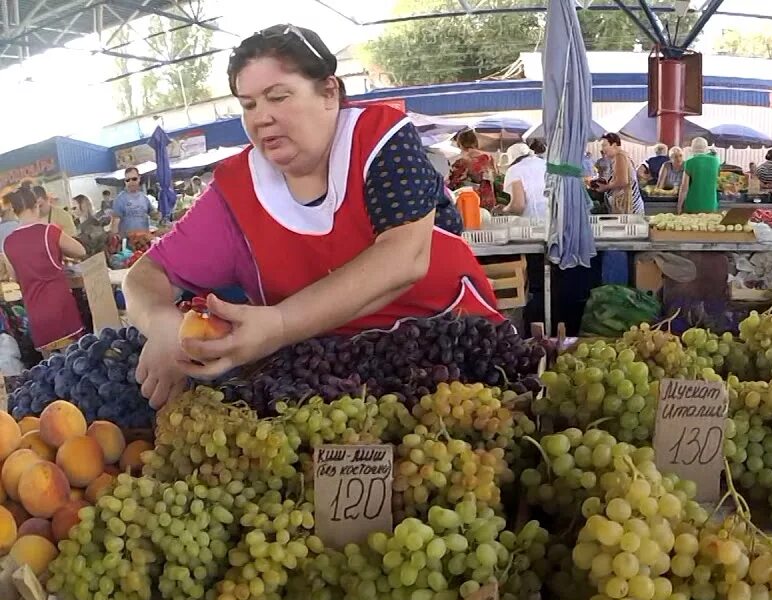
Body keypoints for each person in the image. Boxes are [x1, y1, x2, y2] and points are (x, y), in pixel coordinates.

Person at [124, 23, 499, 409]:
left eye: (278, 97)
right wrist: (163, 325)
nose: (262, 117)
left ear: (329, 92)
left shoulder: (378, 140)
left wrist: (281, 324)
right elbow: (144, 276)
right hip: (331, 395)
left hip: (457, 371)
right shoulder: (235, 191)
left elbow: (405, 258)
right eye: (249, 105)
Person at [0, 187, 87, 349]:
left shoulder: (8, 243)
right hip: (61, 310)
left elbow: (14, 277)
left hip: (36, 316)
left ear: (15, 211)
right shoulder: (49, 231)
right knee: (75, 361)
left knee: (49, 370)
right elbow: (81, 251)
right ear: (37, 204)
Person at [591, 133, 644, 215]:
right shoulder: (619, 157)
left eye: (605, 145)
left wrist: (605, 187)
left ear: (614, 145)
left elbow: (622, 181)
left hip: (629, 209)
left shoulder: (620, 156)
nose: (602, 149)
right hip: (627, 207)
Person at [447, 129, 497, 210]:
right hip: (489, 197)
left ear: (460, 143)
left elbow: (452, 182)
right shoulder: (489, 158)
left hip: (470, 199)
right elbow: (495, 176)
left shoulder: (461, 161)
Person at [498, 143, 547, 219]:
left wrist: (504, 210)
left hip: (534, 219)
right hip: (553, 216)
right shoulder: (544, 163)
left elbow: (518, 206)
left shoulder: (514, 170)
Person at [108, 167, 156, 236]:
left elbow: (153, 214)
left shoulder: (144, 198)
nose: (131, 182)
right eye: (127, 180)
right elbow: (115, 222)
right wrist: (115, 239)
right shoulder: (120, 199)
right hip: (128, 242)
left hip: (144, 240)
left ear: (139, 178)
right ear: (125, 181)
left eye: (134, 179)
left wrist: (158, 215)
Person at [679, 136, 721, 214]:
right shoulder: (716, 161)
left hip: (693, 204)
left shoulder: (689, 162)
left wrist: (679, 206)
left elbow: (684, 187)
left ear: (692, 149)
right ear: (706, 148)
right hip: (711, 204)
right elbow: (719, 180)